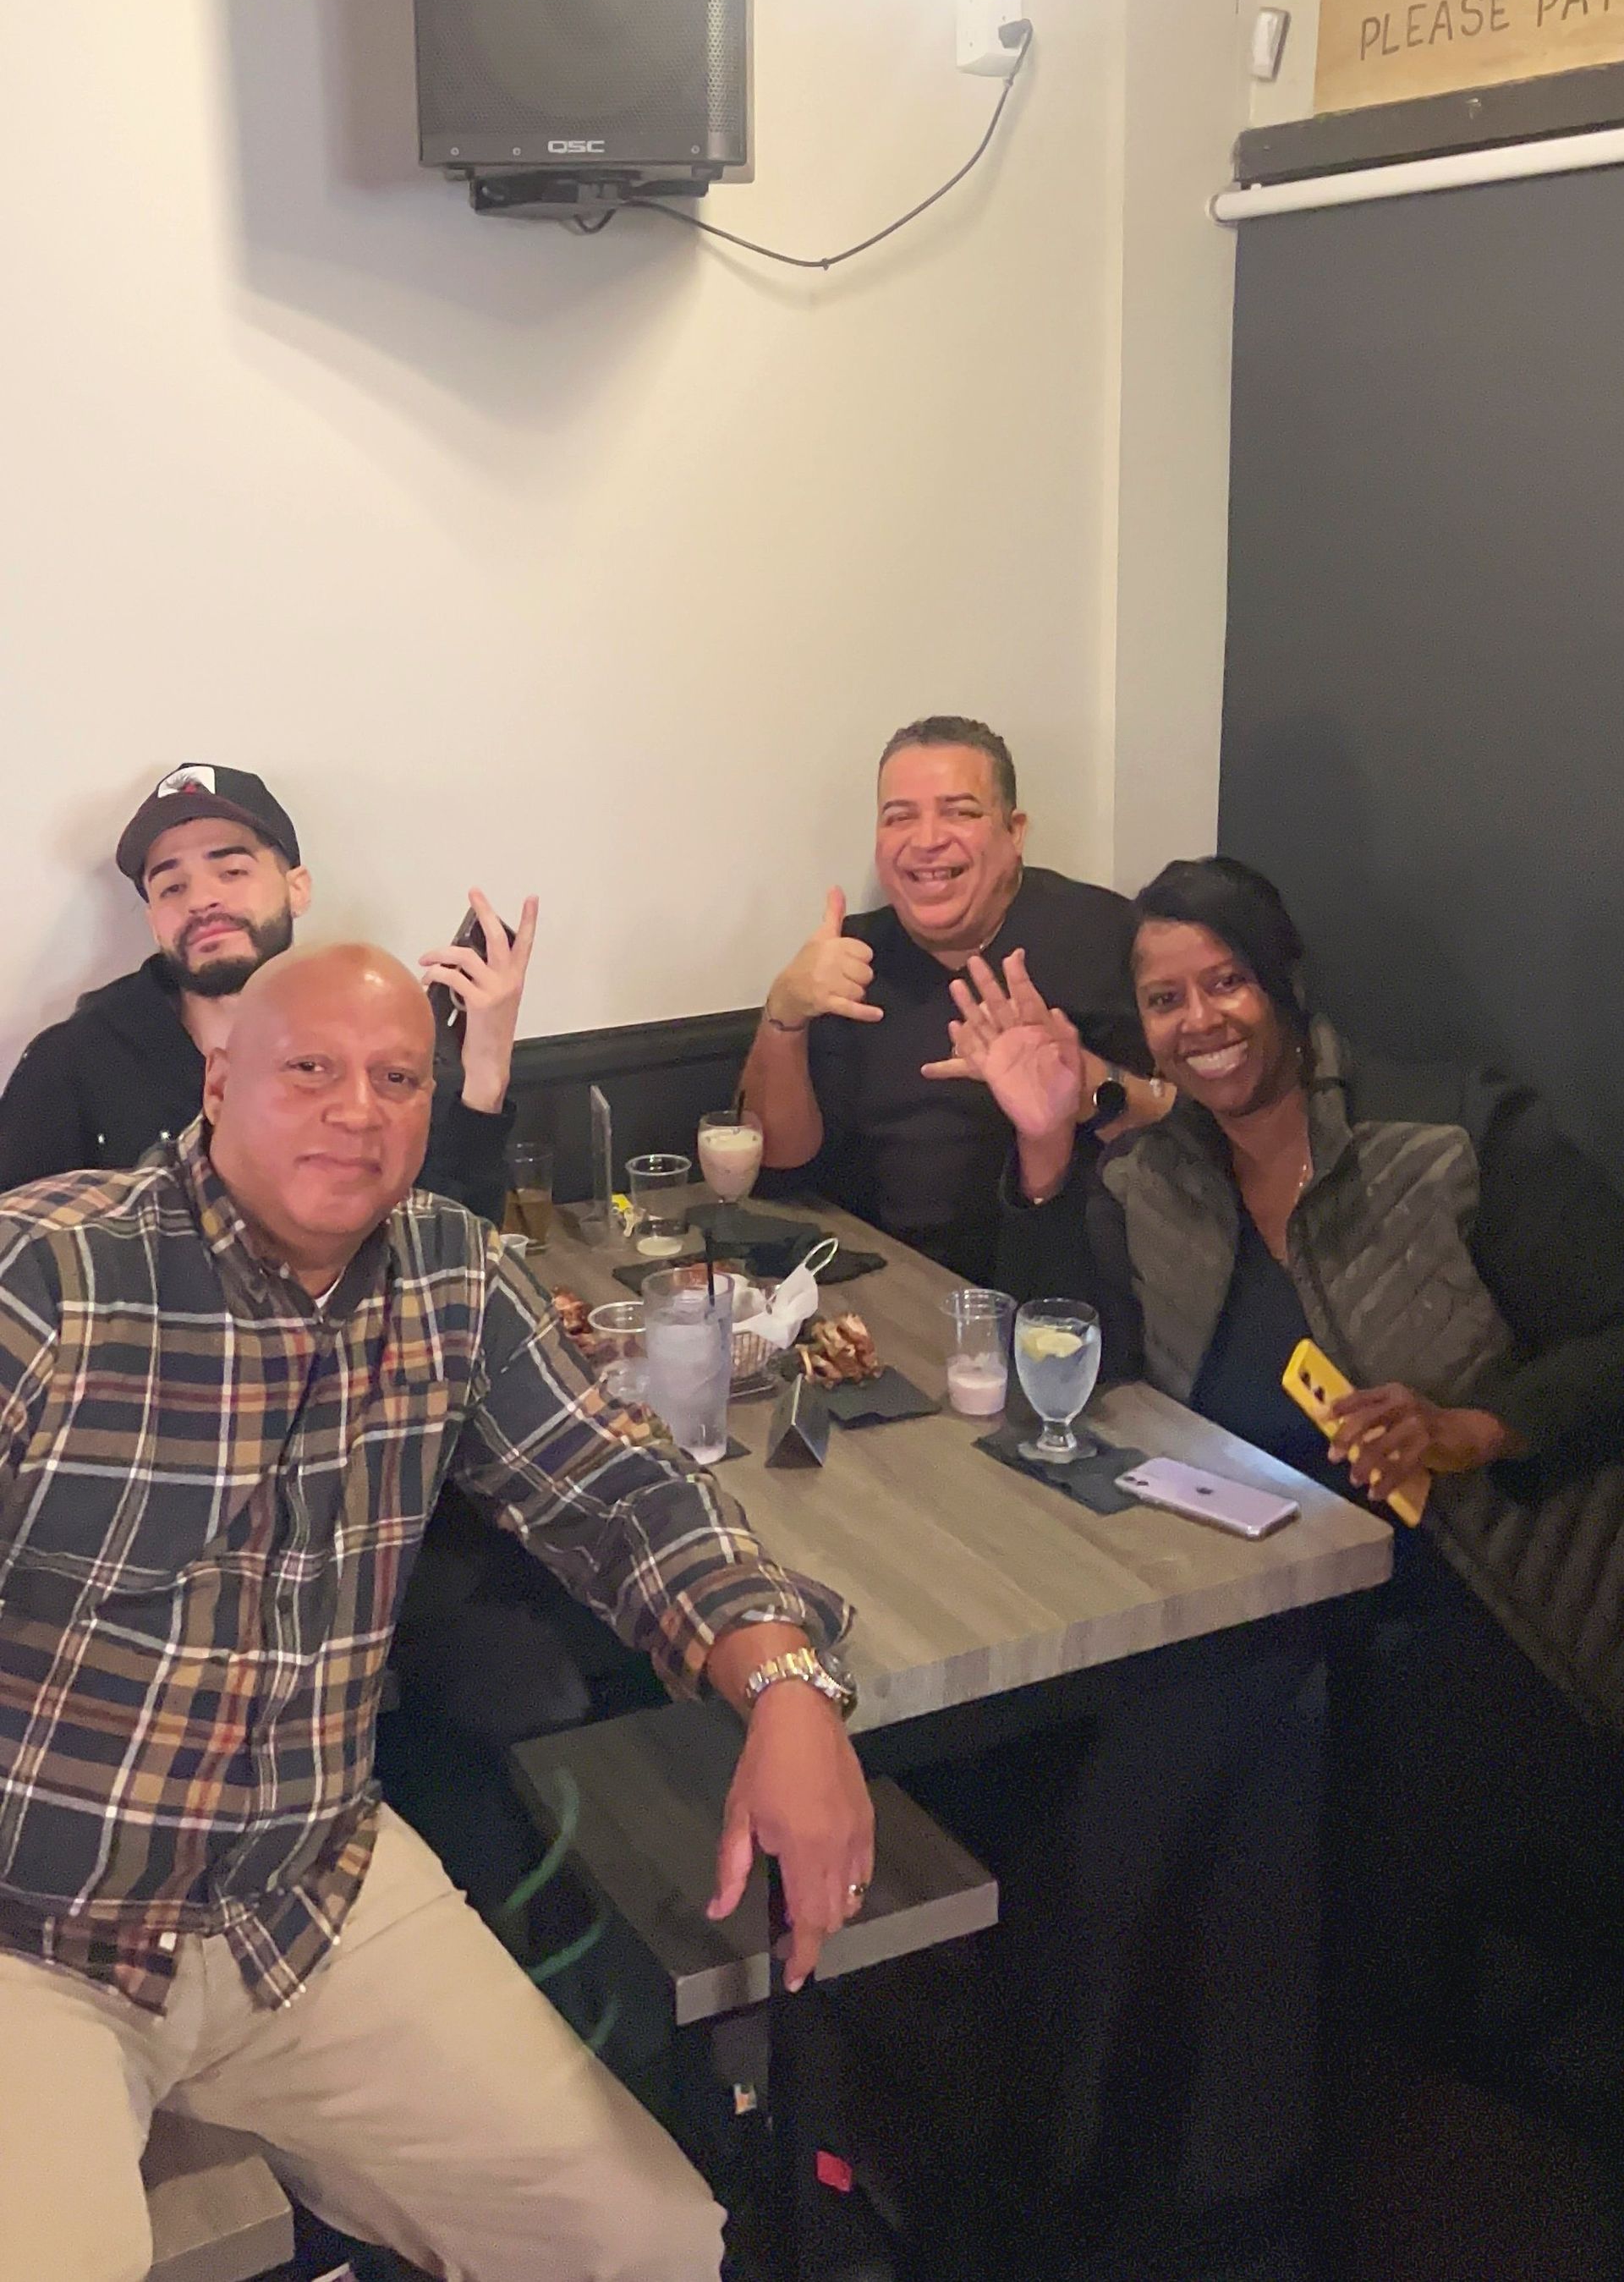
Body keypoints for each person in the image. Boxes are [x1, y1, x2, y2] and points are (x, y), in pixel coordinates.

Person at [0, 943, 871, 2282]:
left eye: (397, 1077)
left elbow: (624, 1488)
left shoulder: (449, 1272)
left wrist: (791, 1685)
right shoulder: (53, 1276)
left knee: (648, 2246)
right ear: (218, 1080)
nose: (359, 1108)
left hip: (307, 1892)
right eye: (312, 1069)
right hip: (41, 1923)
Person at [944, 855, 1624, 2272]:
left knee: (1198, 1755)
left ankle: (1135, 2173)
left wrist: (1467, 1423)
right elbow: (1067, 1354)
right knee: (1200, 1737)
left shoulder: (1448, 1129)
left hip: (1481, 1594)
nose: (1202, 1018)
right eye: (1165, 999)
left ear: (1286, 978)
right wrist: (1045, 1150)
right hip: (1254, 1574)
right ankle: (1185, 2171)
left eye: (1225, 980)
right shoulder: (1162, 1178)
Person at [0, 763, 534, 1224]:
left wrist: (484, 1075)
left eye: (231, 870)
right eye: (172, 887)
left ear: (297, 889)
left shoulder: (372, 1039)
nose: (203, 900)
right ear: (153, 919)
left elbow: (449, 1252)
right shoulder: (70, 1063)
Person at [741, 716, 1171, 1283]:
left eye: (960, 811)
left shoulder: (1105, 933)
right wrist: (784, 1014)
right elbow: (774, 1167)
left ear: (1014, 832)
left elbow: (1193, 1135)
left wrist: (1083, 1084)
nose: (926, 840)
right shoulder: (851, 954)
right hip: (882, 1291)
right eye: (899, 817)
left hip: (1069, 1283)